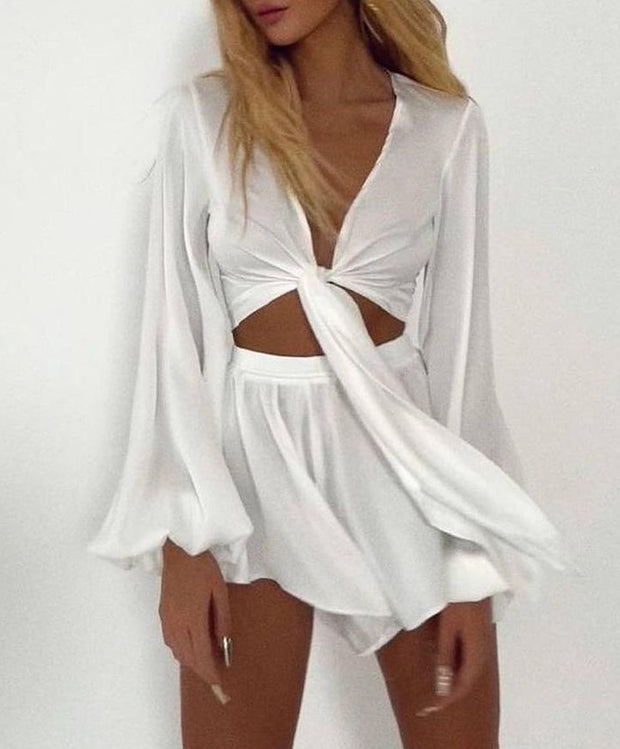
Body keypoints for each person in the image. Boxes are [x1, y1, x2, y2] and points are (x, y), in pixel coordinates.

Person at [87, 1, 575, 746]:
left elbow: (461, 361)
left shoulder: (445, 129)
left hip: (404, 471)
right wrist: (184, 539)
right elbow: (173, 339)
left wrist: (471, 565)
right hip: (249, 475)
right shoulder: (208, 118)